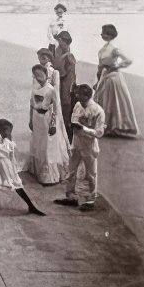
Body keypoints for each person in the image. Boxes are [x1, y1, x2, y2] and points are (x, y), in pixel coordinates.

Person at [0, 119, 46, 215]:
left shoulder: (6, 140)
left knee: (17, 186)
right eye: (9, 131)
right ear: (3, 131)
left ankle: (31, 206)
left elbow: (10, 154)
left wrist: (14, 168)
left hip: (5, 167)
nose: (10, 133)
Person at [55, 84, 105, 212]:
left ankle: (90, 200)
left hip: (89, 146)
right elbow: (73, 119)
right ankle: (71, 196)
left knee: (91, 174)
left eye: (80, 95)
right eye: (77, 94)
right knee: (71, 171)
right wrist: (74, 126)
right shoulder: (78, 105)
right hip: (76, 144)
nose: (77, 97)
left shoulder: (98, 111)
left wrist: (83, 128)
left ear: (87, 96)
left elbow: (99, 133)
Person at [23, 64, 70, 185]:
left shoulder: (51, 90)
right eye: (36, 75)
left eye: (40, 75)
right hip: (36, 119)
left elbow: (55, 109)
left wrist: (53, 124)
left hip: (47, 119)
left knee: (48, 145)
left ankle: (50, 175)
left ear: (46, 75)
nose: (38, 78)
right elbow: (31, 105)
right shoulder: (35, 88)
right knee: (38, 143)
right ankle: (36, 170)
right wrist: (30, 120)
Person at [94, 24, 138, 136]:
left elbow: (128, 60)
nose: (101, 34)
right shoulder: (103, 48)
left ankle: (115, 126)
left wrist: (117, 66)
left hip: (113, 76)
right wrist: (97, 80)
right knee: (104, 99)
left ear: (109, 35)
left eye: (103, 32)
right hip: (104, 75)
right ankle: (106, 126)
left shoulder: (114, 48)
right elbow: (100, 67)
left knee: (114, 101)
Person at [52, 31, 77, 140]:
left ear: (65, 42)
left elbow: (66, 72)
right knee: (62, 103)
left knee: (65, 103)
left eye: (60, 41)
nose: (59, 42)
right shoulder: (61, 51)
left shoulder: (68, 54)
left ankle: (66, 129)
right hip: (63, 80)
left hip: (66, 82)